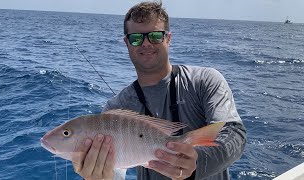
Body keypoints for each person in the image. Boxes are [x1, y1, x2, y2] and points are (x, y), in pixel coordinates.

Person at [73, 1, 246, 180]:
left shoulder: (205, 80)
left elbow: (234, 133)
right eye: (136, 38)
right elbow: (116, 173)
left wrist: (197, 162)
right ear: (127, 43)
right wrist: (100, 176)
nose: (146, 43)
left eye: (155, 36)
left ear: (168, 38)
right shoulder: (117, 107)